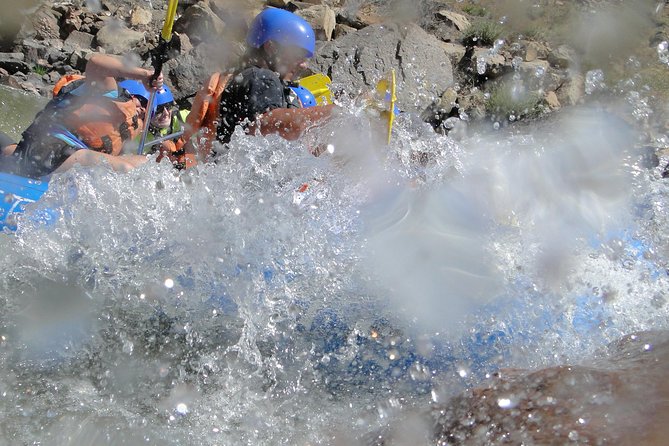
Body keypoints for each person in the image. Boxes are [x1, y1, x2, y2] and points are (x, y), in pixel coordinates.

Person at [180, 8, 336, 163]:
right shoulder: (262, 78)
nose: (303, 64)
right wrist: (338, 112)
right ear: (271, 47)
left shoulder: (241, 76)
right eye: (298, 54)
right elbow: (268, 125)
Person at [1, 54, 162, 178]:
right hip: (47, 148)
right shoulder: (109, 92)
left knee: (144, 162)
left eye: (149, 111)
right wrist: (143, 74)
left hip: (52, 159)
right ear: (131, 95)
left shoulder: (124, 135)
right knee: (125, 168)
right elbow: (95, 63)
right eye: (142, 102)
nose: (142, 111)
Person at [118, 80, 192, 168]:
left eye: (168, 106)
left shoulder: (181, 118)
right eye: (159, 109)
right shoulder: (138, 136)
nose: (166, 113)